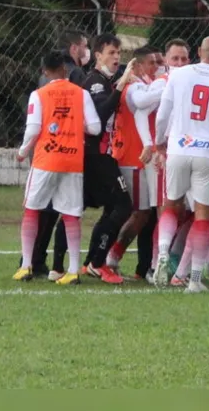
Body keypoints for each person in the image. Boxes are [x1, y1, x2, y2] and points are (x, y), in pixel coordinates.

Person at [152, 35, 209, 293]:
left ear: (200, 51)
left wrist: (160, 142)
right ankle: (193, 280)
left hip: (179, 147)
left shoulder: (178, 75)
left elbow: (162, 115)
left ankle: (161, 253)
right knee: (203, 215)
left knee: (171, 204)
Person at [13, 50, 101, 284]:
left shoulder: (39, 94)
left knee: (32, 209)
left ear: (44, 71)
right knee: (71, 214)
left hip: (46, 160)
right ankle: (72, 271)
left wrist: (22, 152)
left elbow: (33, 130)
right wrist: (74, 124)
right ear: (65, 69)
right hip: (72, 161)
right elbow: (94, 128)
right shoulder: (81, 94)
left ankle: (26, 266)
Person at [28, 30, 90, 279]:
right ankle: (46, 262)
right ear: (75, 48)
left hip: (44, 149)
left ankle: (32, 259)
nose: (86, 52)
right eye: (85, 46)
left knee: (40, 207)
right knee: (58, 209)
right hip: (65, 151)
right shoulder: (72, 74)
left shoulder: (46, 76)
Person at [78, 34, 136, 284]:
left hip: (104, 154)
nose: (116, 58)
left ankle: (91, 261)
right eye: (111, 53)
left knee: (113, 207)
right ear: (98, 54)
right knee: (123, 206)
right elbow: (101, 112)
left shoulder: (105, 80)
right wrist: (123, 83)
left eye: (119, 53)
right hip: (97, 155)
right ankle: (97, 263)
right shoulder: (96, 82)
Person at [105, 46, 163, 279]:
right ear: (138, 66)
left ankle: (115, 258)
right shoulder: (133, 87)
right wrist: (168, 86)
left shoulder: (141, 85)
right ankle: (111, 256)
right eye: (151, 63)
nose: (155, 67)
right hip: (133, 158)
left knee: (144, 212)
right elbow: (141, 101)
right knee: (140, 212)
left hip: (138, 157)